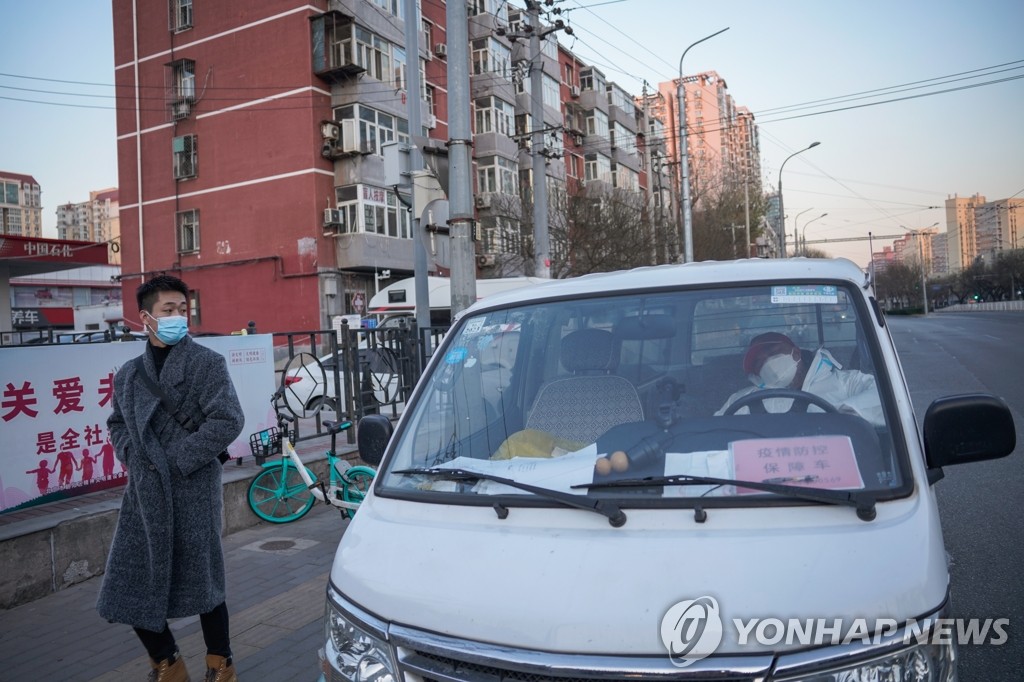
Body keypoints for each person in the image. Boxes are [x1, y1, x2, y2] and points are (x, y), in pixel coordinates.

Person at [96, 274, 245, 682]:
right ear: (146, 318)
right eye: (169, 310)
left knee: (205, 586)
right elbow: (117, 424)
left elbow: (228, 420)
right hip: (144, 494)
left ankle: (221, 665)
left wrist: (176, 461)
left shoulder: (205, 363)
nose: (179, 316)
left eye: (183, 309)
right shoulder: (128, 374)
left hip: (192, 488)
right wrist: (133, 454)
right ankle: (168, 663)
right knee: (127, 586)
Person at [715, 332, 884, 426]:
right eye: (759, 361)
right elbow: (716, 432)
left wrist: (843, 414)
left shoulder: (846, 382)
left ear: (796, 353)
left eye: (773, 353)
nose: (768, 363)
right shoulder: (741, 400)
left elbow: (885, 399)